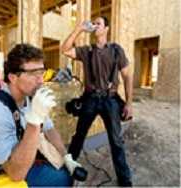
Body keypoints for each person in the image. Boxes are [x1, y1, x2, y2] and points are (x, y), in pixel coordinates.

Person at [0, 43, 83, 187]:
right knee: (59, 179)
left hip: (23, 159)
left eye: (42, 72)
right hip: (0, 172)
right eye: (33, 74)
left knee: (66, 175)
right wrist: (34, 121)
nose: (41, 80)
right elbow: (15, 173)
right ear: (13, 77)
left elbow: (49, 129)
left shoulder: (30, 97)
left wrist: (66, 156)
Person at [61, 16, 133, 186]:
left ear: (106, 28)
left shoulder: (116, 50)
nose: (94, 26)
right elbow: (65, 49)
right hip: (90, 100)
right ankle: (67, 171)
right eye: (93, 23)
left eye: (98, 23)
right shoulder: (87, 51)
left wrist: (129, 103)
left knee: (116, 141)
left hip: (111, 100)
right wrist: (79, 29)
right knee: (78, 137)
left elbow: (127, 75)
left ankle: (124, 180)